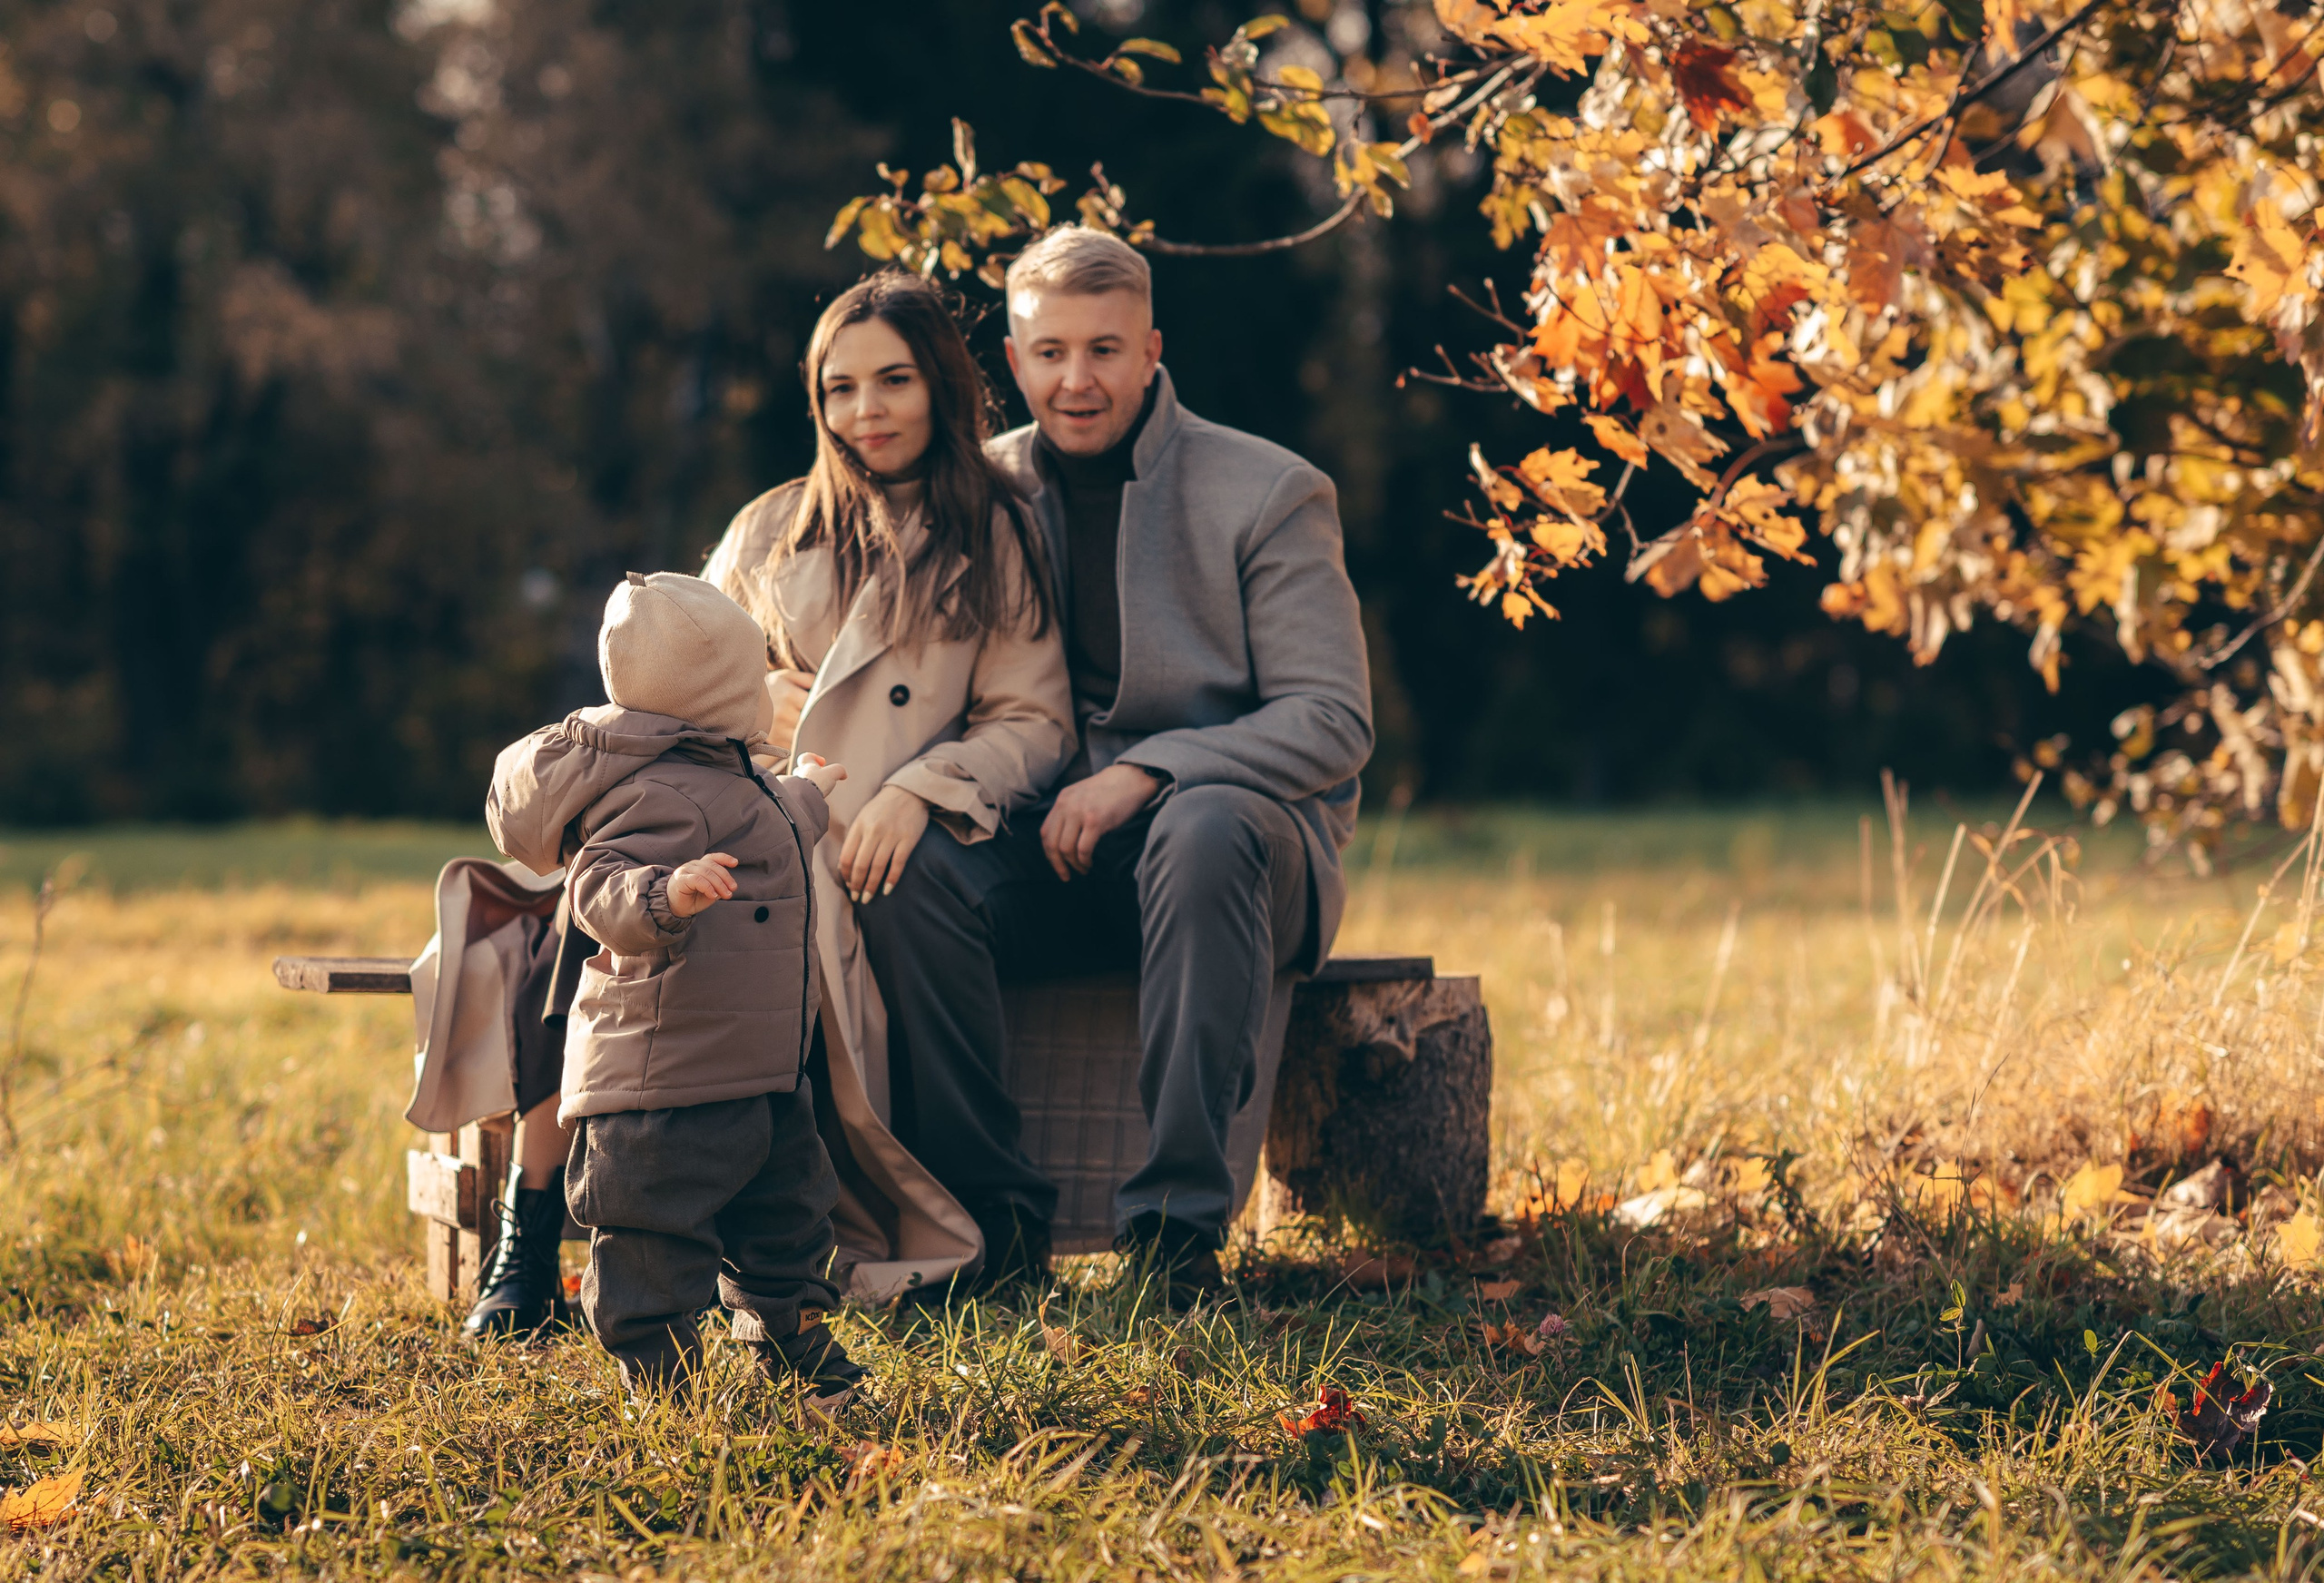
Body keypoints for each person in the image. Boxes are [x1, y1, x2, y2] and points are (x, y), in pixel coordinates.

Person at [854, 227, 1374, 1302]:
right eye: (1050, 353)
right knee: (902, 877)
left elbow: (1333, 720)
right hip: (1043, 844)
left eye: (1104, 350)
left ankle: (1175, 1238)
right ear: (1013, 357)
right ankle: (989, 1229)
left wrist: (1153, 770)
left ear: (1151, 350)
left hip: (1235, 854)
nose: (1076, 380)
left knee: (1203, 825)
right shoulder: (974, 490)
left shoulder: (1269, 490)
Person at [703, 270, 1075, 1298]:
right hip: (769, 814)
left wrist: (923, 787)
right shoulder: (768, 528)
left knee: (900, 899)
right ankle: (573, 1219)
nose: (865, 412)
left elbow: (1033, 717)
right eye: (839, 388)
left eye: (893, 381)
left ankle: (983, 1223)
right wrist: (747, 708)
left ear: (942, 387)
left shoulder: (998, 529)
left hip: (908, 825)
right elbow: (683, 677)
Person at [486, 570, 866, 1402]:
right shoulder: (655, 790)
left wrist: (812, 790)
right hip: (667, 1081)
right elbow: (596, 885)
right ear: (720, 689)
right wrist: (666, 893)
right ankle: (662, 1378)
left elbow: (771, 823)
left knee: (791, 1216)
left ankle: (788, 1334)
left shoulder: (732, 771)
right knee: (652, 1233)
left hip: (761, 1073)